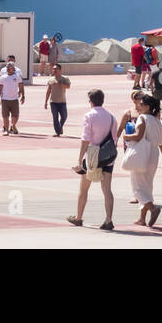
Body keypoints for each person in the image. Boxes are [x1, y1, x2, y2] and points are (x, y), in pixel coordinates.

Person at [68, 89, 116, 230]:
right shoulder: (112, 117)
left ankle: (79, 217)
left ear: (91, 101)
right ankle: (108, 220)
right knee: (107, 189)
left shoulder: (89, 116)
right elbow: (114, 138)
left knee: (84, 188)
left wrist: (80, 158)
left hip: (92, 157)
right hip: (108, 157)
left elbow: (85, 139)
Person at [124, 94, 162, 226]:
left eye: (141, 104)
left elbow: (138, 136)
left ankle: (153, 209)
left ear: (148, 106)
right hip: (154, 155)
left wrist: (126, 135)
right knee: (147, 187)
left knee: (137, 187)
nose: (139, 106)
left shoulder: (142, 118)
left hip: (142, 154)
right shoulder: (156, 121)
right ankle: (142, 218)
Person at [0, 59, 25, 135]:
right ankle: (6, 130)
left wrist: (23, 96)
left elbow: (21, 86)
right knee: (5, 116)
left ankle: (14, 125)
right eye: (7, 67)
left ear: (13, 68)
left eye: (10, 67)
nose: (8, 68)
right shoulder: (2, 77)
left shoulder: (17, 77)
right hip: (5, 99)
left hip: (14, 99)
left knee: (15, 116)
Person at [44, 63, 71, 137]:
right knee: (55, 118)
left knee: (64, 116)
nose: (54, 70)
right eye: (53, 69)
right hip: (53, 102)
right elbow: (48, 91)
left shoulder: (65, 78)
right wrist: (46, 102)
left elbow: (68, 86)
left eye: (56, 69)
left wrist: (60, 84)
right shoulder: (51, 80)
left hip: (62, 101)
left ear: (60, 70)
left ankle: (60, 126)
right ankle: (57, 132)